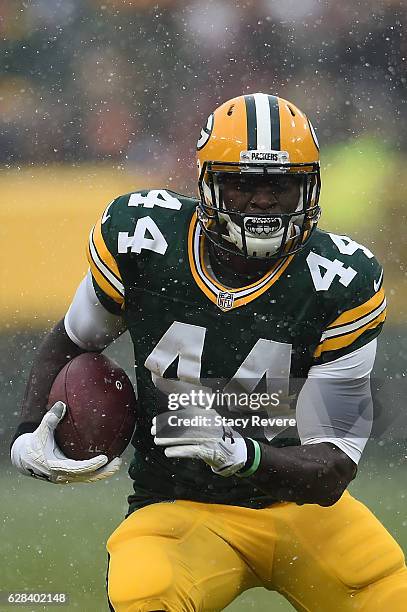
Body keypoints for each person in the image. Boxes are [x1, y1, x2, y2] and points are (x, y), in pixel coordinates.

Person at [11, 93, 407, 611]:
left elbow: (333, 467)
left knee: (386, 594)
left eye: (281, 185)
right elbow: (74, 339)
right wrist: (24, 436)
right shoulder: (146, 241)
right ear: (207, 184)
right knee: (145, 595)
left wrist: (245, 457)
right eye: (243, 183)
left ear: (309, 187)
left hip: (301, 507)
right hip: (179, 507)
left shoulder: (339, 281)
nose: (262, 200)